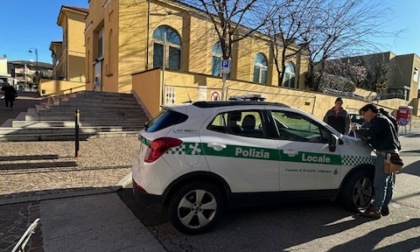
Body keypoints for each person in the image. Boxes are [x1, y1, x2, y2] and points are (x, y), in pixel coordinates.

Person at [352, 103, 401, 219]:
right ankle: (384, 206)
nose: (364, 117)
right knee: (388, 183)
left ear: (369, 111)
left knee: (380, 182)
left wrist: (357, 130)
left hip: (385, 154)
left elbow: (370, 133)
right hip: (393, 153)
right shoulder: (384, 119)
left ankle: (376, 209)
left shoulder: (379, 120)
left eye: (364, 114)